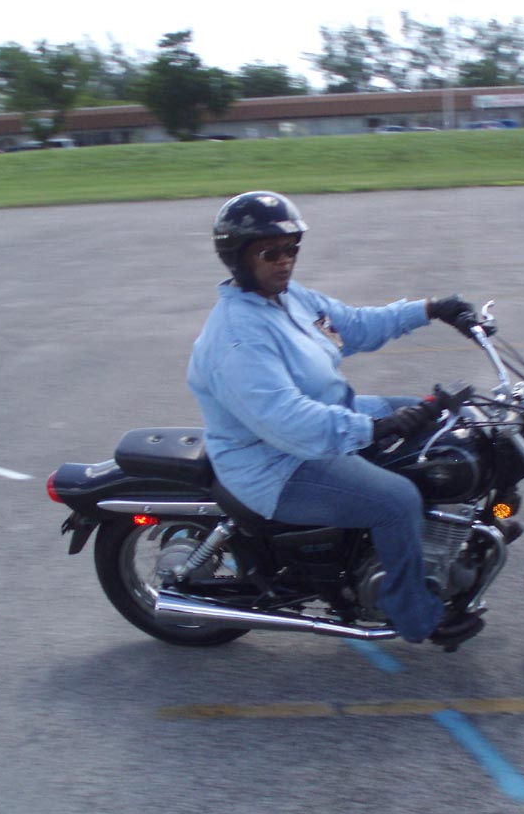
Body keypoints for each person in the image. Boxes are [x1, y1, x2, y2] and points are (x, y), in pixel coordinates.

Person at [187, 191, 486, 649]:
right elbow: (287, 421)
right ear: (238, 257)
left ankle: (447, 542)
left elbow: (355, 325)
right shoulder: (236, 338)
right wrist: (377, 428)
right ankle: (415, 615)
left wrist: (432, 308)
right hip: (276, 464)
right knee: (396, 500)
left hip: (332, 421)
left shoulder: (290, 300)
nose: (285, 261)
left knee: (446, 425)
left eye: (291, 249)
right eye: (270, 252)